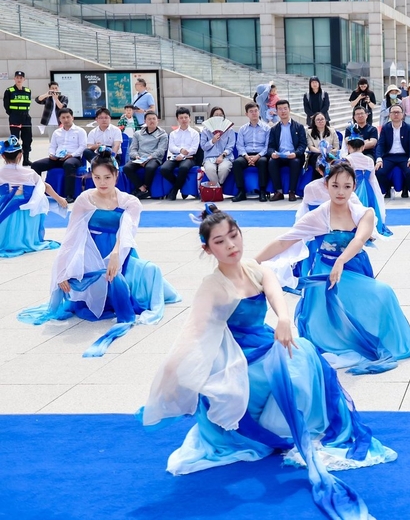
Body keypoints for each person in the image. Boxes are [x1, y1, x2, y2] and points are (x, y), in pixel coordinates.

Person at [141, 205, 394, 520]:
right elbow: (193, 332)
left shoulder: (252, 268)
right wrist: (172, 374)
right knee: (285, 371)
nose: (230, 245)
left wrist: (284, 318)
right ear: (208, 249)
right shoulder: (212, 286)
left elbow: (273, 288)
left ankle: (296, 424)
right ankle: (278, 431)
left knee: (305, 354)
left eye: (233, 235)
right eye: (219, 241)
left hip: (263, 341)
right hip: (236, 356)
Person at [256, 162, 410, 373]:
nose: (340, 192)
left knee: (383, 293)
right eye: (335, 186)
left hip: (353, 267)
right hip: (326, 272)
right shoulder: (319, 215)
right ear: (326, 185)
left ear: (354, 187)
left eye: (346, 186)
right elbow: (284, 241)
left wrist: (341, 260)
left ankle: (375, 337)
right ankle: (338, 339)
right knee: (329, 312)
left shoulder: (364, 213)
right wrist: (253, 262)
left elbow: (359, 239)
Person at [18, 150, 180, 356]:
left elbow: (127, 233)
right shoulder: (85, 199)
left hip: (121, 252)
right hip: (91, 254)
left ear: (116, 176)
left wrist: (115, 255)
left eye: (107, 177)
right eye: (97, 177)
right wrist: (62, 270)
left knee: (150, 272)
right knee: (93, 289)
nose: (102, 182)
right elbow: (70, 237)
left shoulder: (129, 201)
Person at [0, 135, 65, 257]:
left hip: (6, 211)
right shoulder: (29, 173)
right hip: (27, 211)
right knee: (35, 205)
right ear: (20, 155)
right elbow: (45, 187)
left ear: (3, 156)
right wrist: (59, 199)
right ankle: (28, 239)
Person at [30, 108, 87, 203]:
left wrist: (71, 155)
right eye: (63, 118)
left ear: (72, 117)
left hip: (73, 158)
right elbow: (52, 146)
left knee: (68, 164)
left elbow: (83, 146)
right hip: (57, 158)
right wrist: (52, 154)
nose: (66, 119)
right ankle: (38, 192)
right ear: (59, 119)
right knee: (36, 165)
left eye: (68, 117)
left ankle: (69, 195)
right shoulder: (57, 132)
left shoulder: (80, 131)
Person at [343, 132, 392, 237]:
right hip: (368, 187)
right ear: (363, 147)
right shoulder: (369, 160)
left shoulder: (348, 159)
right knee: (370, 207)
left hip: (354, 187)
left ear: (349, 147)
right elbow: (372, 178)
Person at [267, 100, 307, 202]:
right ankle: (278, 191)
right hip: (279, 156)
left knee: (295, 162)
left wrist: (295, 153)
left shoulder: (299, 127)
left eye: (285, 108)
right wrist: (272, 153)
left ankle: (292, 191)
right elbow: (270, 146)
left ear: (289, 109)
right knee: (271, 162)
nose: (283, 111)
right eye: (280, 109)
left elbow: (303, 145)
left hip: (293, 156)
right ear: (276, 112)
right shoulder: (274, 129)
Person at [375, 104, 410, 198]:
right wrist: (379, 159)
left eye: (398, 112)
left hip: (404, 156)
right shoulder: (385, 128)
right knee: (379, 171)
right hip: (389, 156)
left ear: (402, 114)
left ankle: (405, 188)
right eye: (393, 112)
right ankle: (388, 189)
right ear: (390, 115)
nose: (396, 114)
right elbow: (380, 144)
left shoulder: (408, 127)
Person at [122, 111, 167, 199]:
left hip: (153, 158)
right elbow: (133, 148)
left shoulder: (162, 134)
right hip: (139, 157)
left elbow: (161, 150)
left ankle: (146, 188)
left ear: (157, 121)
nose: (152, 121)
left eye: (154, 119)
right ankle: (142, 188)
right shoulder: (137, 133)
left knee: (150, 167)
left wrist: (149, 158)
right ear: (145, 121)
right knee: (127, 168)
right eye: (149, 119)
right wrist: (136, 156)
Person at [158, 107, 200, 201]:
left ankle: (174, 191)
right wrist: (180, 150)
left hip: (189, 157)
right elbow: (171, 147)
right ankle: (181, 186)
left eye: (186, 117)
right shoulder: (173, 133)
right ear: (177, 119)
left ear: (189, 118)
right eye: (181, 118)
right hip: (175, 157)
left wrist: (183, 155)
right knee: (164, 169)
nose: (184, 120)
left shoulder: (195, 133)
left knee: (183, 168)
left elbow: (194, 149)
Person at [232, 103, 271, 203]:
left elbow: (267, 146)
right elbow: (240, 145)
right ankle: (241, 192)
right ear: (247, 114)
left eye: (256, 111)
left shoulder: (266, 128)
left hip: (261, 154)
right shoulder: (243, 129)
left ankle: (262, 191)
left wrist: (258, 156)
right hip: (246, 154)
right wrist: (246, 156)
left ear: (259, 112)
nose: (254, 113)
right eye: (251, 111)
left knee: (263, 162)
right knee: (237, 163)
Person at [200, 106, 236, 187]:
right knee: (210, 169)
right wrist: (212, 141)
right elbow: (203, 147)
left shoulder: (230, 130)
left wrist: (222, 155)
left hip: (225, 157)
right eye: (216, 115)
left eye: (221, 115)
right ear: (211, 116)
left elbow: (230, 146)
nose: (219, 117)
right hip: (209, 157)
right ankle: (219, 188)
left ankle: (217, 187)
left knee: (224, 168)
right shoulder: (205, 130)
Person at [3, 70, 32, 165]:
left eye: (21, 78)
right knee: (14, 139)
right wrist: (13, 114)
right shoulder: (9, 91)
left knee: (27, 138)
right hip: (15, 117)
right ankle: (14, 160)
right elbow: (6, 105)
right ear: (14, 79)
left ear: (24, 79)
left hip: (26, 117)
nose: (19, 79)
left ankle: (26, 159)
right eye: (17, 78)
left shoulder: (28, 91)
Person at [305, 111, 338, 179]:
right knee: (318, 158)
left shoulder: (332, 131)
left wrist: (328, 152)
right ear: (314, 122)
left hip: (330, 155)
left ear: (325, 120)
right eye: (318, 120)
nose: (320, 121)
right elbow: (310, 147)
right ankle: (319, 179)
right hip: (316, 155)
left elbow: (336, 147)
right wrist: (322, 152)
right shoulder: (309, 132)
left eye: (322, 119)